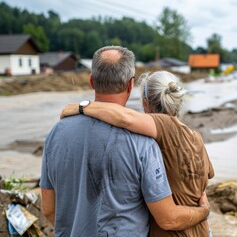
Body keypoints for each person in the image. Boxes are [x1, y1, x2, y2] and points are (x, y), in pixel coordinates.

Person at [40, 46, 210, 237]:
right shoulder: (143, 142)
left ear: (91, 81)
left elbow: (48, 209)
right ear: (130, 85)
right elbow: (167, 217)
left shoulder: (56, 132)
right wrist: (203, 211)